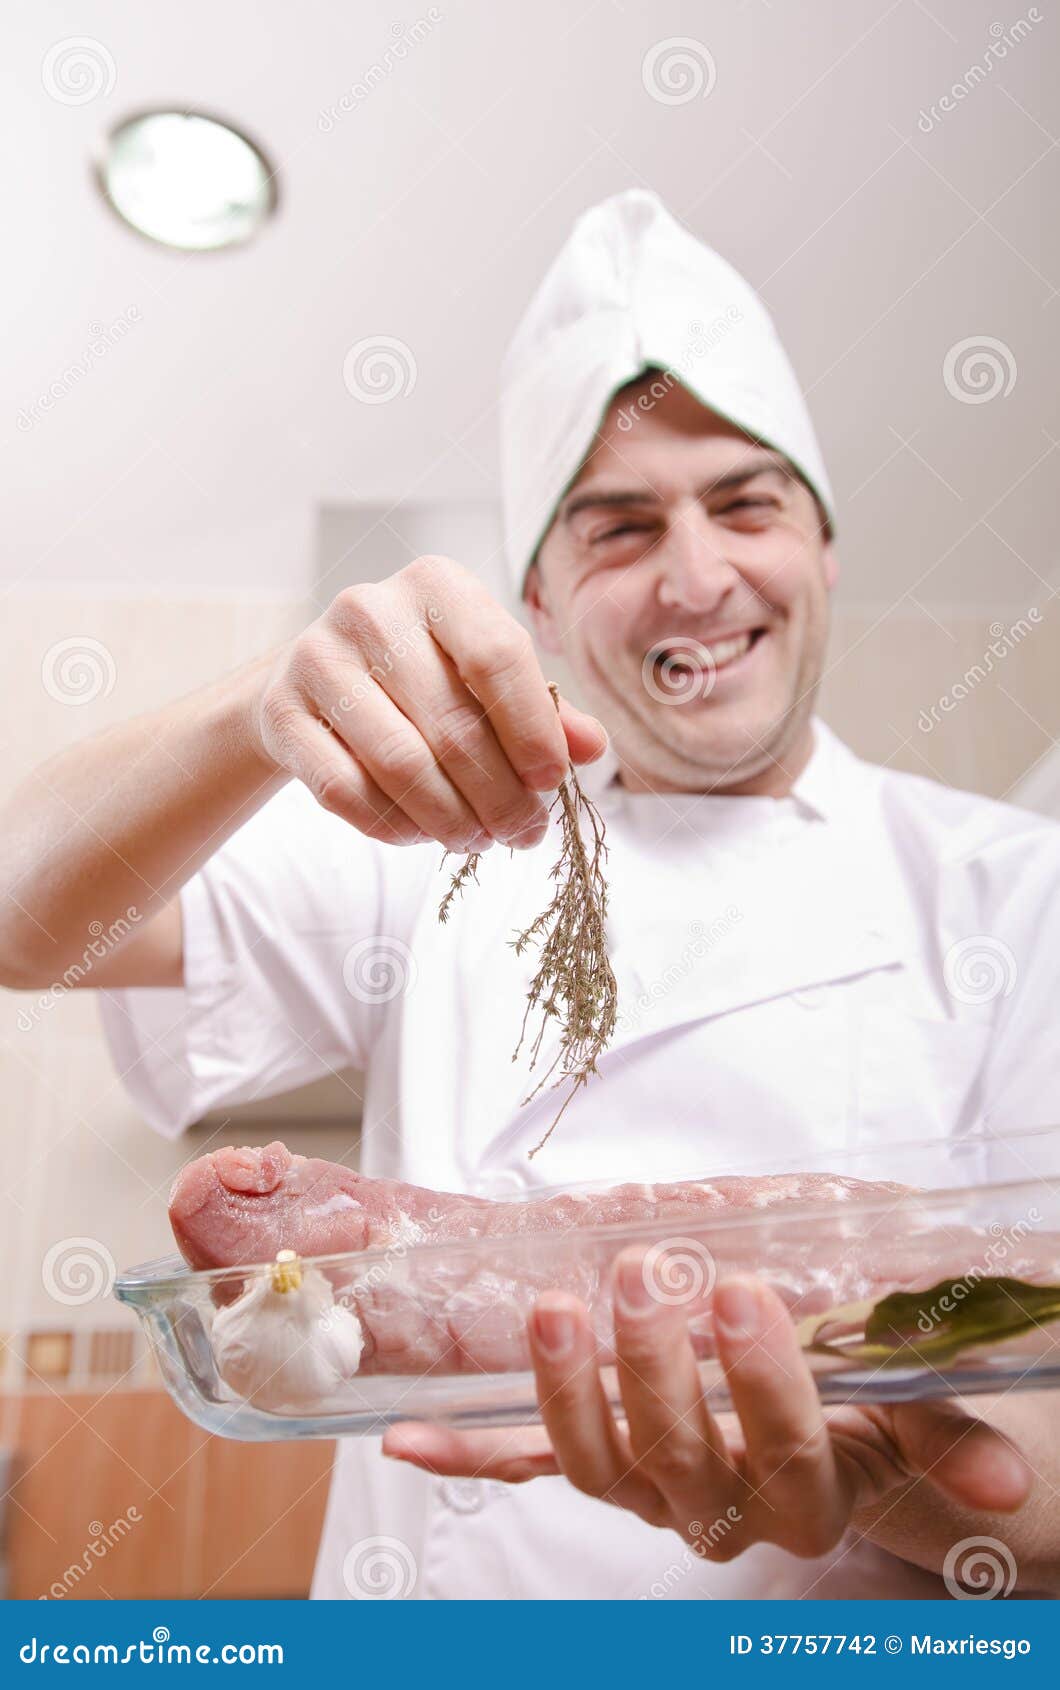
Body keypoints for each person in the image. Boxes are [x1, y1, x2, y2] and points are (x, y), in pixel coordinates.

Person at [1, 191, 1057, 1600]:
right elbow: (22, 916)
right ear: (543, 603)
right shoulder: (429, 843)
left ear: (823, 550)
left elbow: (1045, 1488)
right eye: (620, 528)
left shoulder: (1013, 891)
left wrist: (898, 1491)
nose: (698, 575)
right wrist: (257, 706)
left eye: (748, 504)